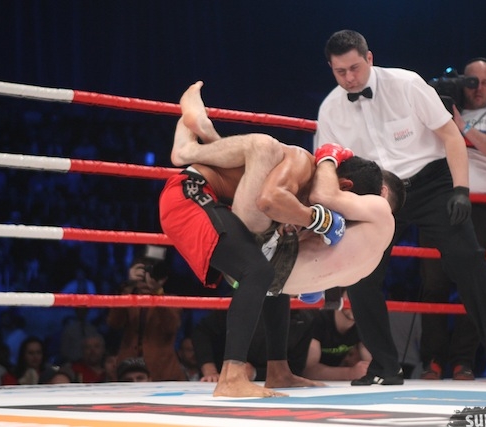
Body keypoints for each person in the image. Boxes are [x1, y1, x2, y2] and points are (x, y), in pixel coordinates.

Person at [314, 29, 486, 385]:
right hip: (376, 194)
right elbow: (328, 168)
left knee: (467, 258)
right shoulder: (330, 110)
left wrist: (461, 190)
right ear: (331, 68)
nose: (349, 78)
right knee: (358, 274)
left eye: (354, 68)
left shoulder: (407, 84)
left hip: (431, 183)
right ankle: (384, 366)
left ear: (369, 58)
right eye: (340, 72)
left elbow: (450, 135)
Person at [160, 81, 403, 397]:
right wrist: (317, 218)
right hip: (190, 195)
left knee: (273, 277)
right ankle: (231, 377)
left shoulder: (299, 187)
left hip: (224, 203)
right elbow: (269, 201)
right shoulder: (301, 163)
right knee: (257, 266)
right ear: (344, 186)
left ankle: (279, 371)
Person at [418, 57, 486, 380]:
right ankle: (432, 359)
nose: (479, 88)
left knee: (471, 284)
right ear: (462, 82)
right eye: (472, 81)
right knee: (433, 283)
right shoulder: (440, 113)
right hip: (438, 204)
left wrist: (463, 127)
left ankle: (464, 360)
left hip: (477, 206)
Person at [106, 258, 185, 381]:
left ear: (162, 279)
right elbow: (114, 323)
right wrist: (128, 285)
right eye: (143, 276)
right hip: (129, 369)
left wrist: (157, 291)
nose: (146, 281)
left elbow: (171, 327)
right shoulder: (128, 297)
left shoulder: (172, 301)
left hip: (162, 369)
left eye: (150, 276)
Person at [302, 289, 372, 381]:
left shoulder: (363, 325)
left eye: (362, 298)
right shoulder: (319, 318)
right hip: (310, 384)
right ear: (340, 296)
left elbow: (371, 363)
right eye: (352, 296)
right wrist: (350, 373)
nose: (356, 302)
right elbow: (308, 370)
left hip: (335, 383)